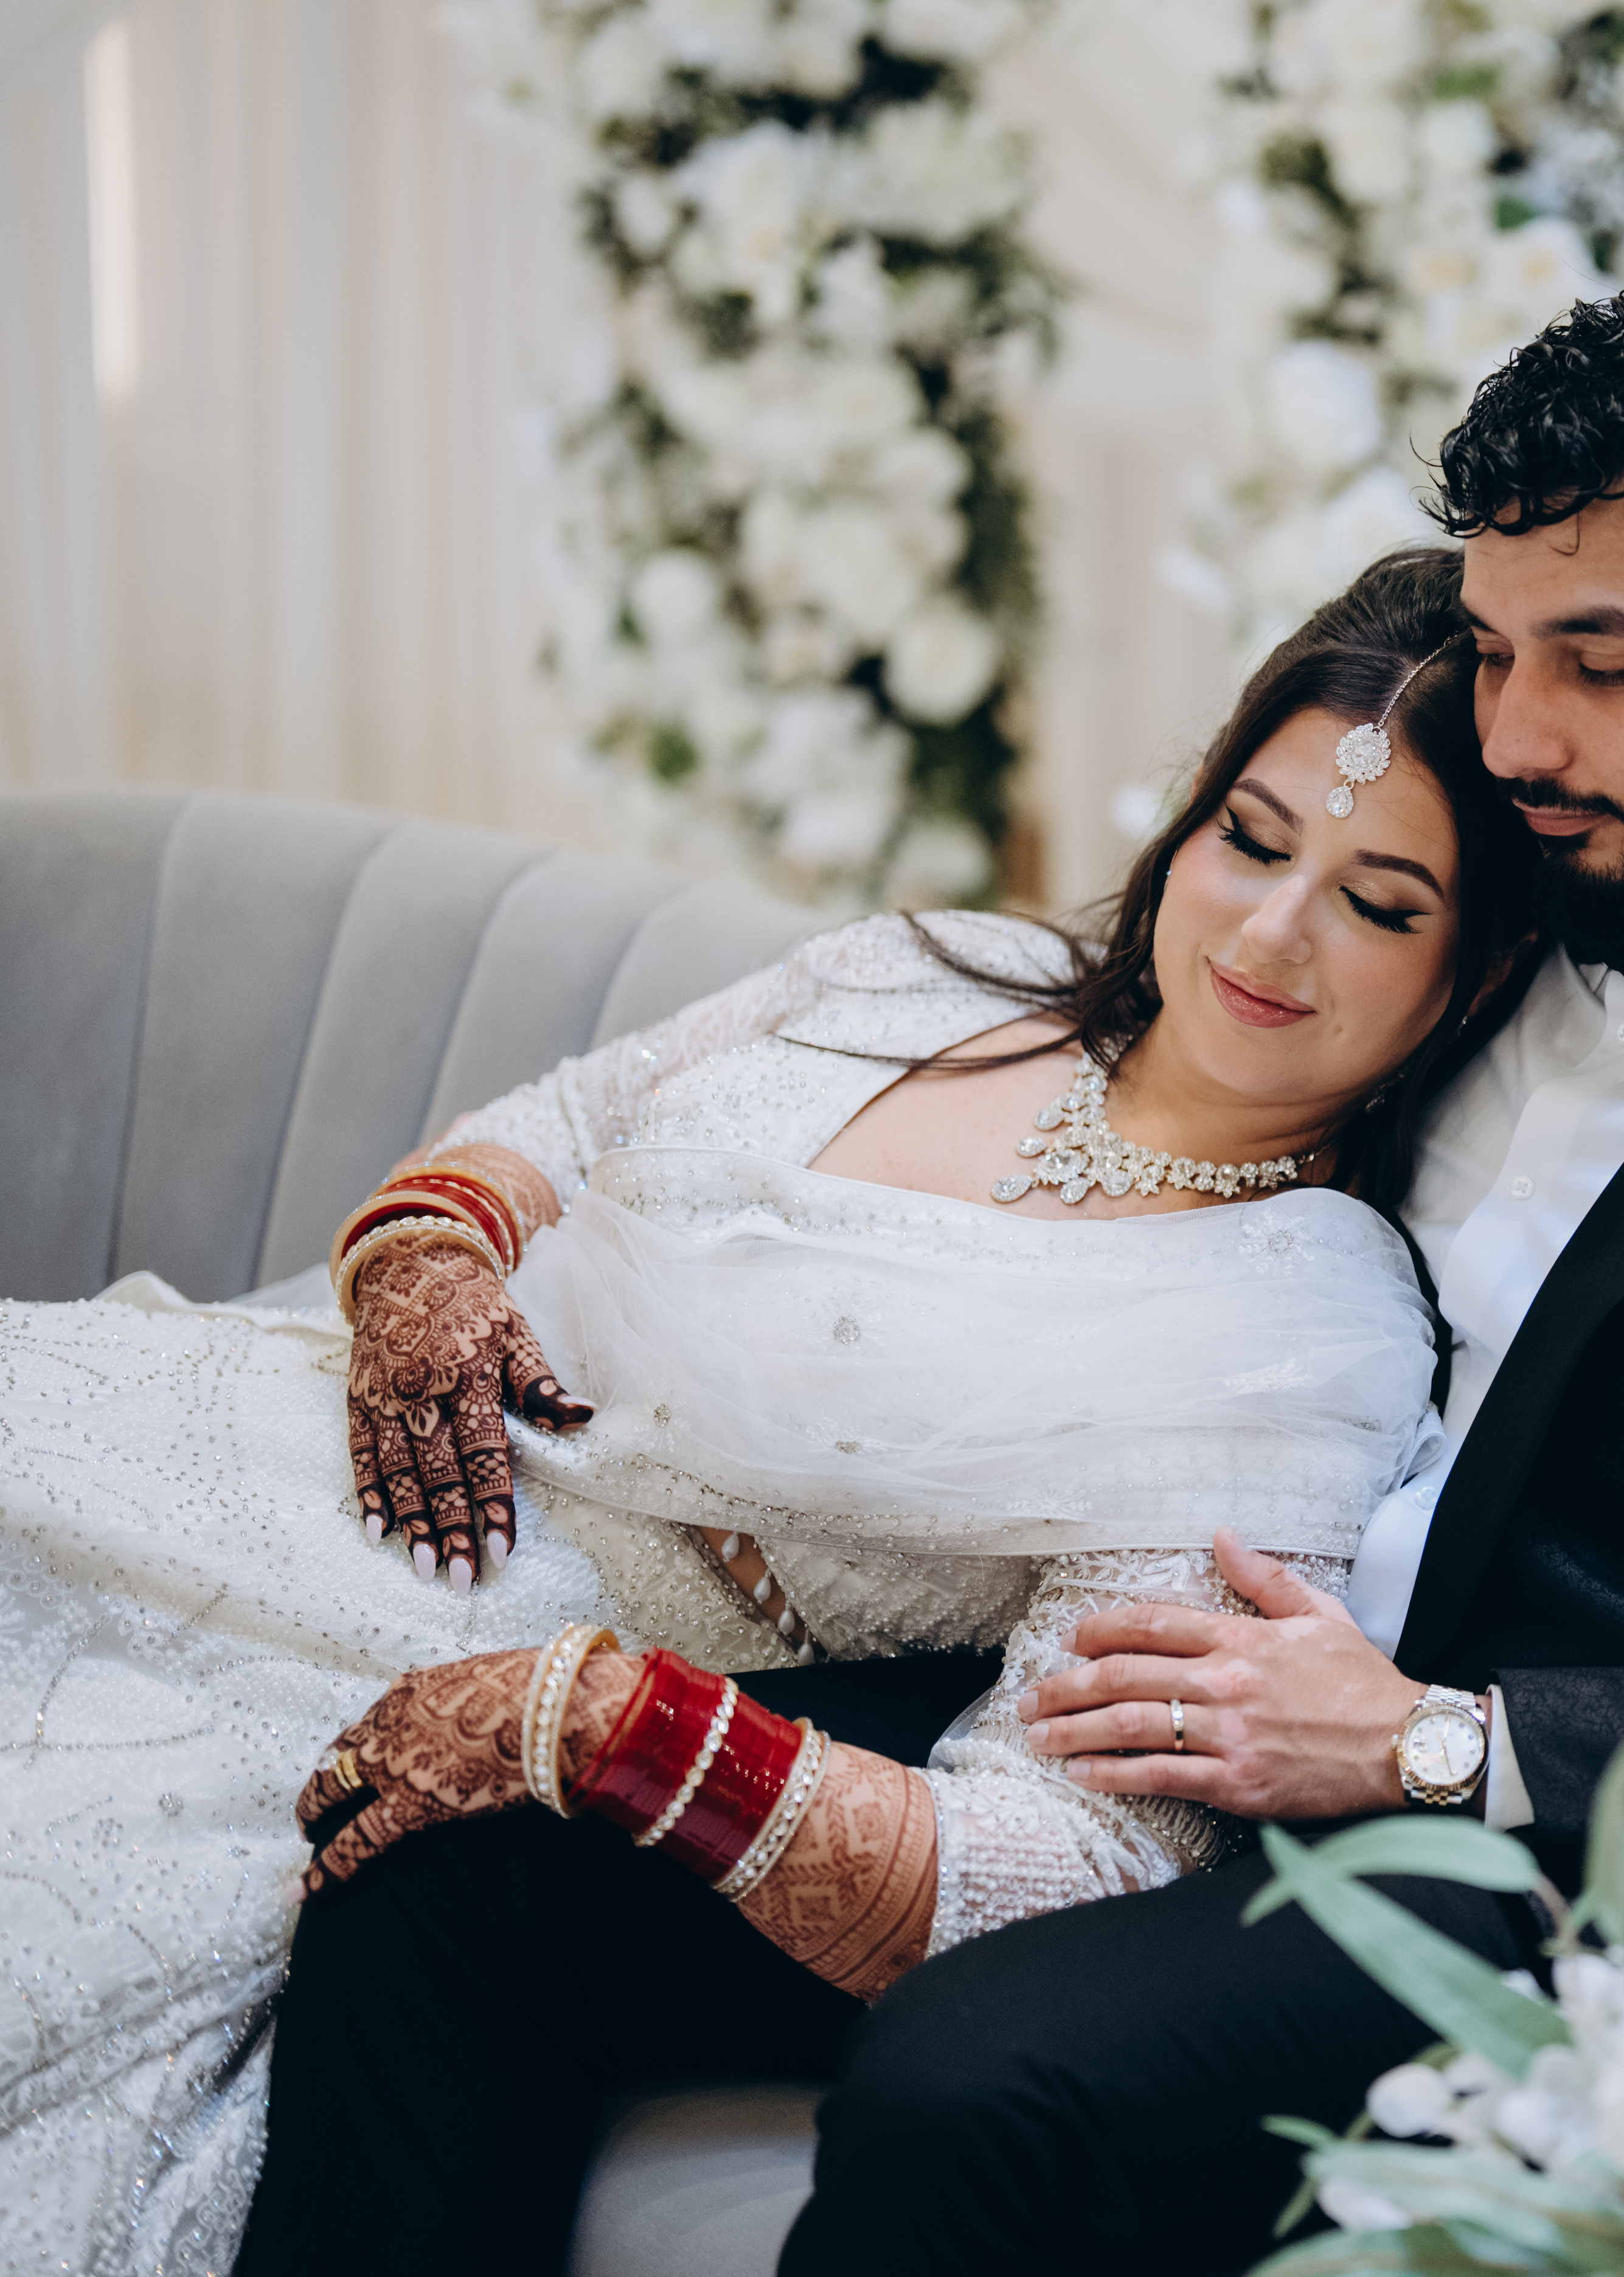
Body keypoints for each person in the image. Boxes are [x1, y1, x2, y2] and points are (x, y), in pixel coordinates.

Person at [240, 283, 1624, 2276]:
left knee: (973, 2087)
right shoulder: (1514, 879)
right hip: (1160, 1661)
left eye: (1606, 662)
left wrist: (1436, 1738)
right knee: (463, 1863)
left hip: (1521, 1863)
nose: (1521, 736)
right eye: (1500, 650)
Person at [0, 552, 1536, 2273]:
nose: (1268, 932)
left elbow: (1082, 1856)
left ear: (1475, 976)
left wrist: (634, 1732)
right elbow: (570, 1116)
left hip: (471, 1652)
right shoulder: (940, 973)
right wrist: (430, 1247)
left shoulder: (1301, 1338)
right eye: (1252, 839)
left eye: (1379, 905)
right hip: (261, 1432)